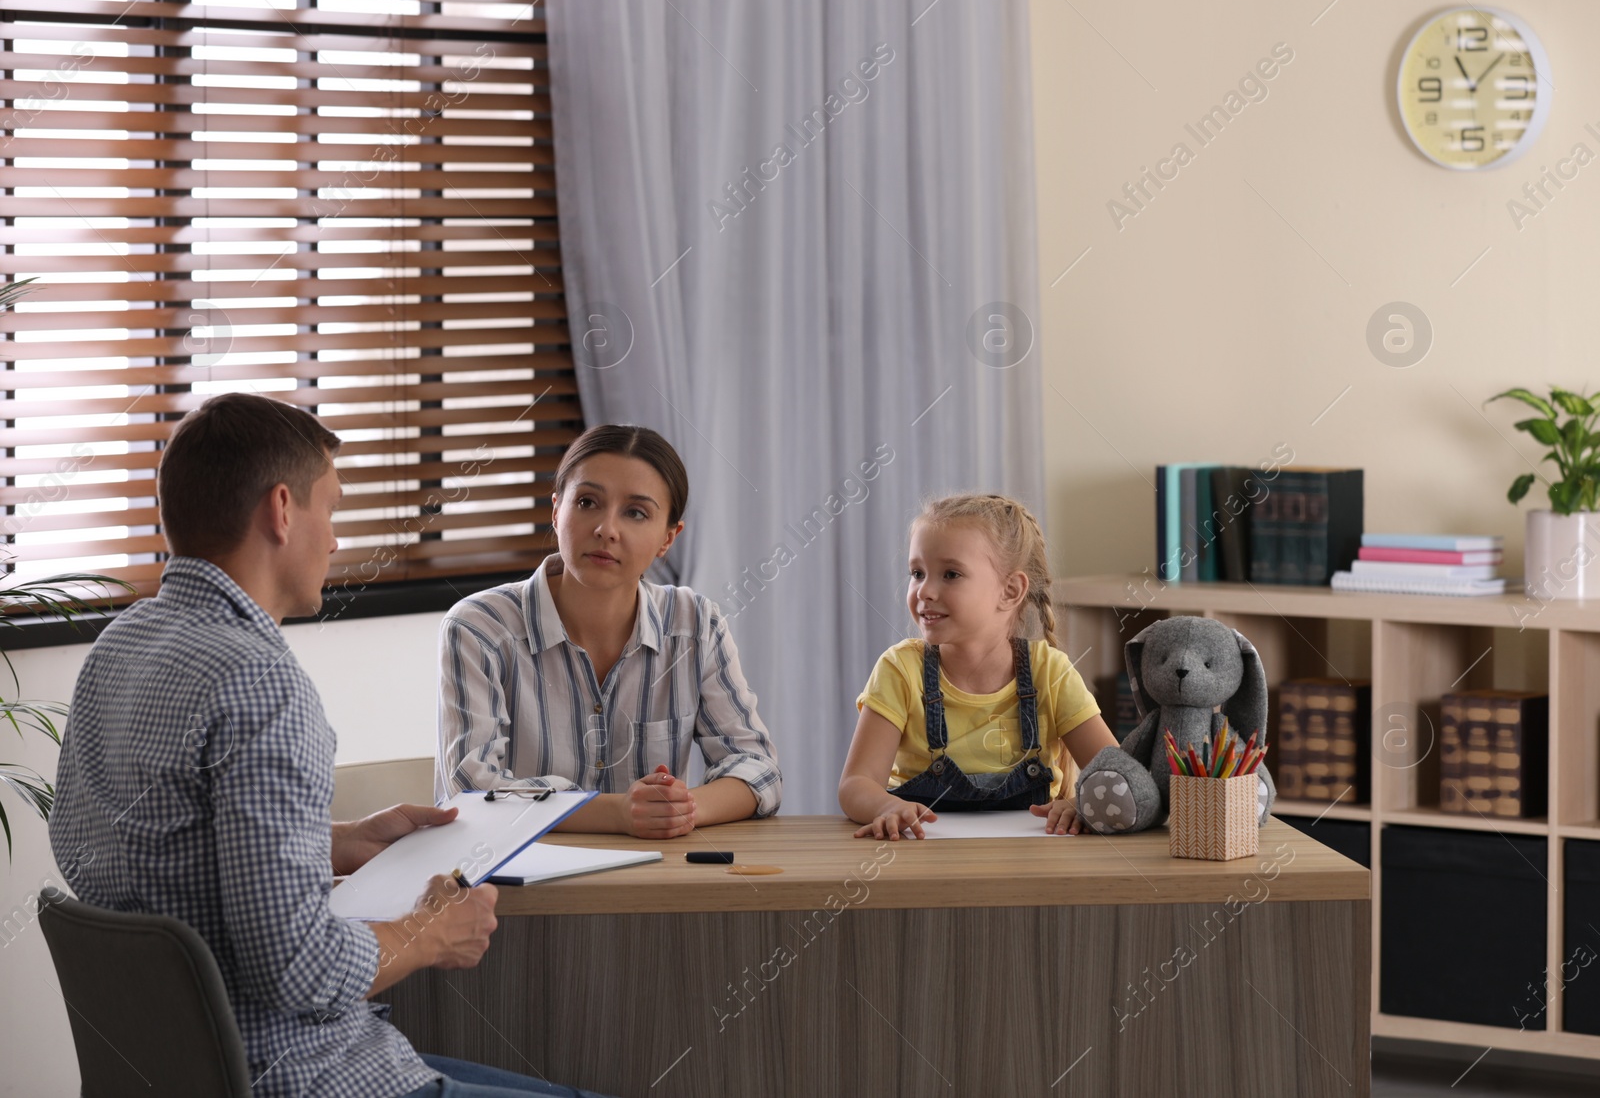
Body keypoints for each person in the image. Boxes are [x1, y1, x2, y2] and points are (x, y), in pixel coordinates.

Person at [49, 393, 609, 1098]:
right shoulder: (260, 685)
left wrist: (337, 840)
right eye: (332, 509)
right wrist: (430, 931)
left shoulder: (120, 646)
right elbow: (299, 969)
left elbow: (115, 852)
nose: (337, 539)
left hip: (179, 1071)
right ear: (282, 510)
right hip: (309, 1076)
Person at [436, 424, 781, 838]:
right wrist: (619, 813)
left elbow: (759, 769)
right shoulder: (478, 629)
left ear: (668, 538)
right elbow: (472, 791)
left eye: (636, 512)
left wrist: (680, 809)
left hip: (655, 882)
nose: (606, 529)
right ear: (556, 511)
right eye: (587, 502)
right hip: (515, 891)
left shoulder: (695, 625)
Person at [838, 493, 1121, 840]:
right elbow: (855, 785)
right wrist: (884, 806)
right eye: (917, 573)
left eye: (951, 574)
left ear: (1010, 591)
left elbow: (1118, 777)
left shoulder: (1051, 671)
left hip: (1032, 865)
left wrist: (1081, 803)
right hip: (920, 862)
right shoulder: (900, 670)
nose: (924, 590)